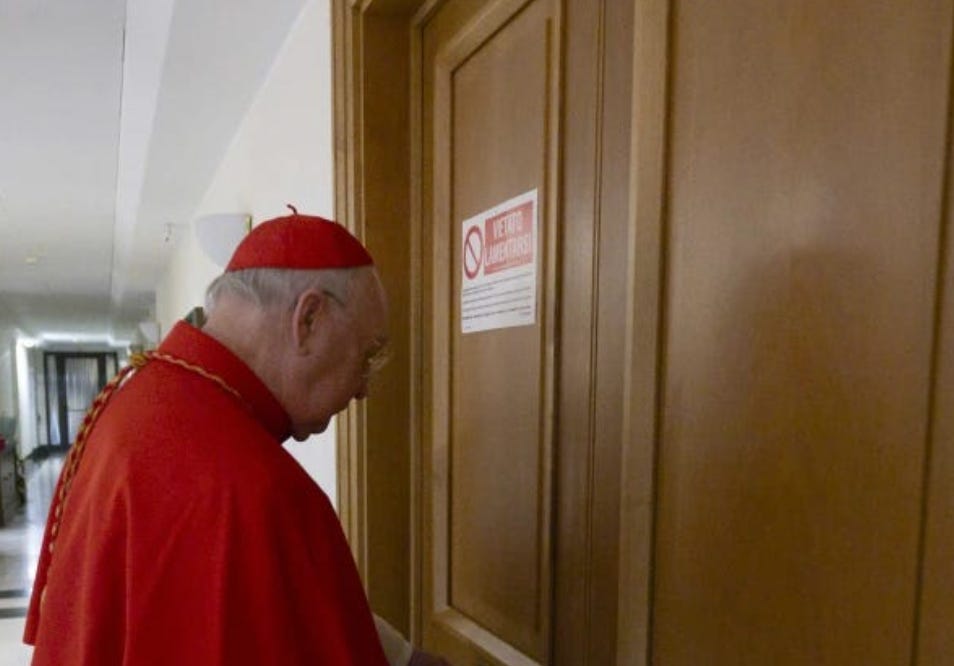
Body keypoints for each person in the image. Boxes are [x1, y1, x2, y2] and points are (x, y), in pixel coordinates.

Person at [24, 210, 447, 665]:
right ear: (309, 319)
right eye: (365, 356)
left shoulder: (136, 397)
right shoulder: (252, 488)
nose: (363, 389)